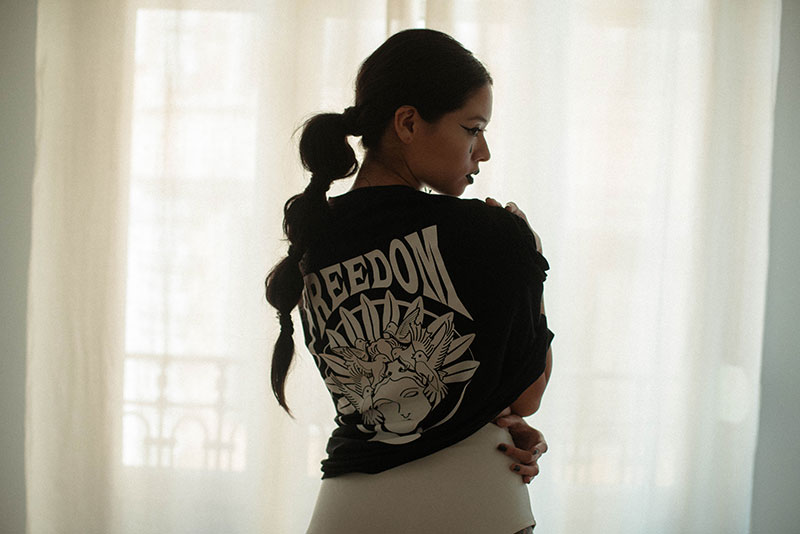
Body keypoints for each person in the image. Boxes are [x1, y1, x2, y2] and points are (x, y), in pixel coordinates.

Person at [266, 29, 554, 534]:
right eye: (473, 129)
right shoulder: (493, 232)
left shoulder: (313, 237)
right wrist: (530, 256)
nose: (483, 152)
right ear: (407, 122)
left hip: (347, 510)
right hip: (476, 504)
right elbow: (527, 396)